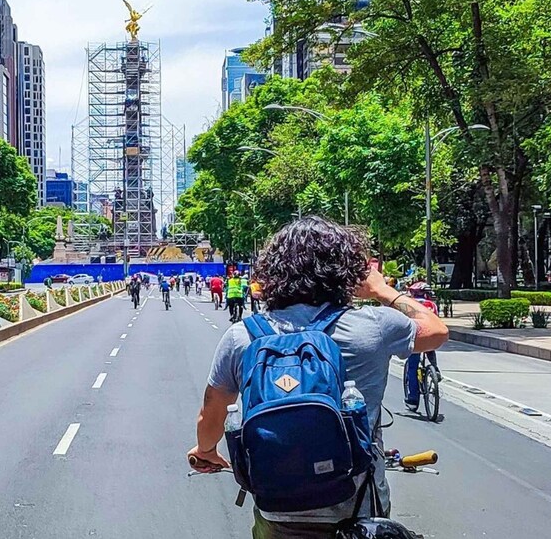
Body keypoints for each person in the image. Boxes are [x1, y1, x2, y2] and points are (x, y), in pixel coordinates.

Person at [188, 216, 449, 537]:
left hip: (277, 511)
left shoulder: (242, 336)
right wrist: (383, 290)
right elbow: (436, 330)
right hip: (357, 510)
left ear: (273, 273)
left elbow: (211, 415)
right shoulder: (373, 327)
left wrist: (205, 451)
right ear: (348, 273)